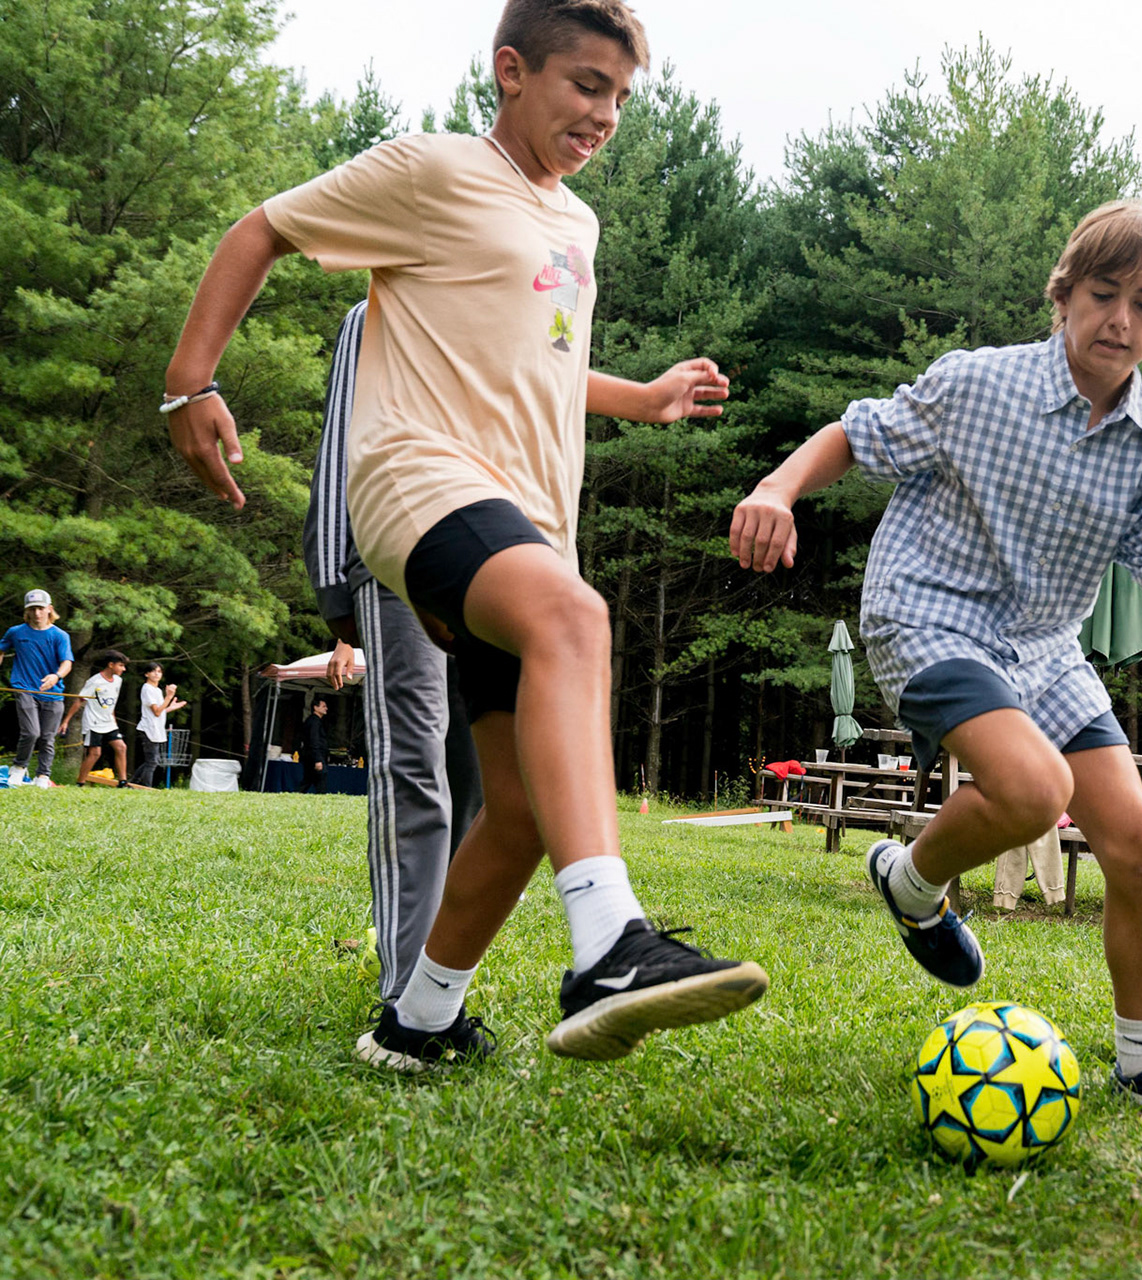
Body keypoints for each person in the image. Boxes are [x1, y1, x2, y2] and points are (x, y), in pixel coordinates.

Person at [166, 0, 765, 1072]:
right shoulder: (433, 172)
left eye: (621, 96)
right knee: (576, 619)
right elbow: (263, 227)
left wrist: (644, 398)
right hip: (419, 481)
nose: (605, 114)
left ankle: (419, 1017)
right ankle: (612, 944)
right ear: (511, 71)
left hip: (529, 518)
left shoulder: (575, 225)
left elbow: (532, 363)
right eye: (586, 84)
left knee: (527, 804)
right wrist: (189, 385)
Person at [731, 200, 1142, 1125]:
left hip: (1047, 650)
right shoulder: (980, 385)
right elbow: (858, 434)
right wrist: (777, 487)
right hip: (928, 614)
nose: (1121, 320)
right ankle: (915, 880)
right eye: (1104, 294)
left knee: (1139, 845)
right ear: (1064, 294)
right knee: (1029, 788)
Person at [306, 299, 485, 1006]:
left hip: (497, 562)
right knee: (413, 763)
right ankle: (407, 984)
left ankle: (445, 963)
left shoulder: (513, 295)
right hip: (397, 555)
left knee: (474, 775)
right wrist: (332, 575)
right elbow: (340, 438)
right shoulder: (376, 310)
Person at [1, 589, 73, 789]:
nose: (37, 613)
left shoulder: (60, 635)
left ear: (49, 609)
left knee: (48, 738)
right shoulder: (16, 632)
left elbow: (67, 662)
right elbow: (1, 649)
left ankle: (42, 776)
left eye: (41, 608)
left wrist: (56, 676)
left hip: (53, 692)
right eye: (32, 609)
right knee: (31, 732)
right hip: (24, 688)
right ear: (27, 611)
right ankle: (19, 768)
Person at [63, 650, 131, 787]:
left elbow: (112, 702)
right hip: (93, 722)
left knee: (121, 747)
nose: (123, 669)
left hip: (109, 722)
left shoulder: (118, 680)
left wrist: (113, 720)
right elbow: (79, 701)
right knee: (95, 753)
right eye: (121, 665)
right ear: (111, 665)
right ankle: (80, 783)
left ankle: (123, 782)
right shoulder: (95, 681)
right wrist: (66, 721)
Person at [134, 662, 187, 788]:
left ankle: (133, 782)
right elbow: (157, 712)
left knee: (151, 761)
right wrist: (168, 697)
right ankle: (146, 787)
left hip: (155, 728)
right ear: (147, 674)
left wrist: (171, 707)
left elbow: (159, 711)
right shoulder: (147, 688)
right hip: (149, 728)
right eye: (153, 671)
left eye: (159, 671)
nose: (157, 674)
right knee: (152, 762)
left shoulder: (156, 690)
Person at [300, 696, 332, 793]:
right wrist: (318, 759)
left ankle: (297, 795)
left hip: (312, 756)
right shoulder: (314, 722)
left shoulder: (315, 721)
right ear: (315, 707)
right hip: (314, 756)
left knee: (308, 780)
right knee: (320, 779)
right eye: (323, 706)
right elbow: (314, 741)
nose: (326, 708)